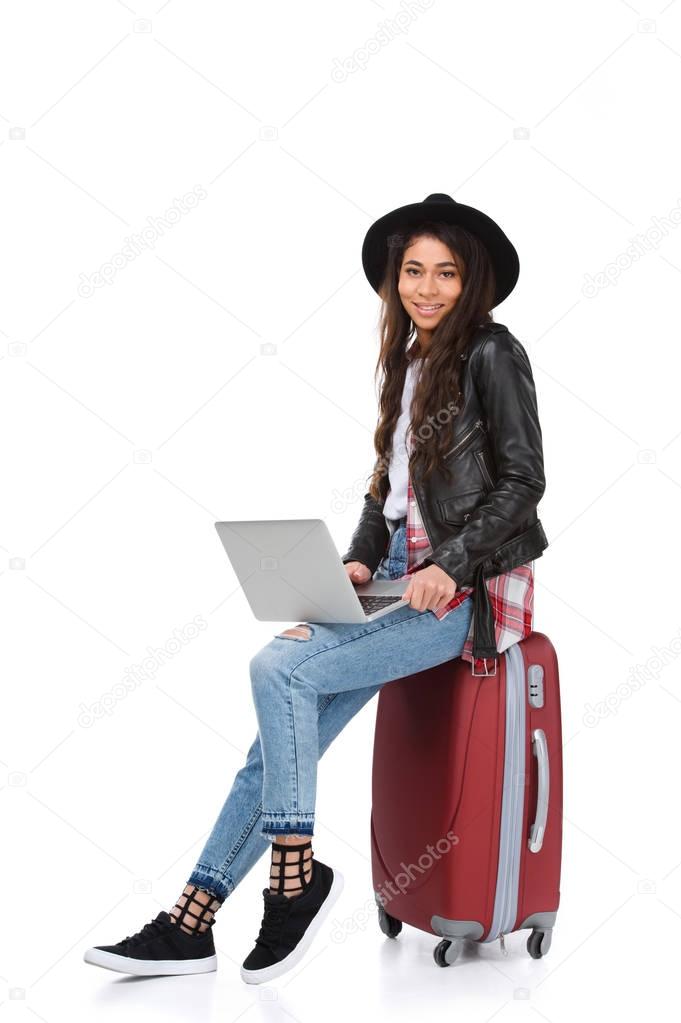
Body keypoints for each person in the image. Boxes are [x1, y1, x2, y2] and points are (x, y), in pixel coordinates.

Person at [83, 192, 548, 984]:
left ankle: (294, 876)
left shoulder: (491, 353)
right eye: (412, 271)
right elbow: (386, 495)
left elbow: (522, 484)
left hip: (463, 597)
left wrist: (450, 564)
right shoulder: (409, 366)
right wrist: (359, 562)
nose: (425, 288)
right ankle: (192, 919)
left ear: (470, 283)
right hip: (398, 587)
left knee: (277, 667)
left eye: (444, 273)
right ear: (392, 280)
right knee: (273, 747)